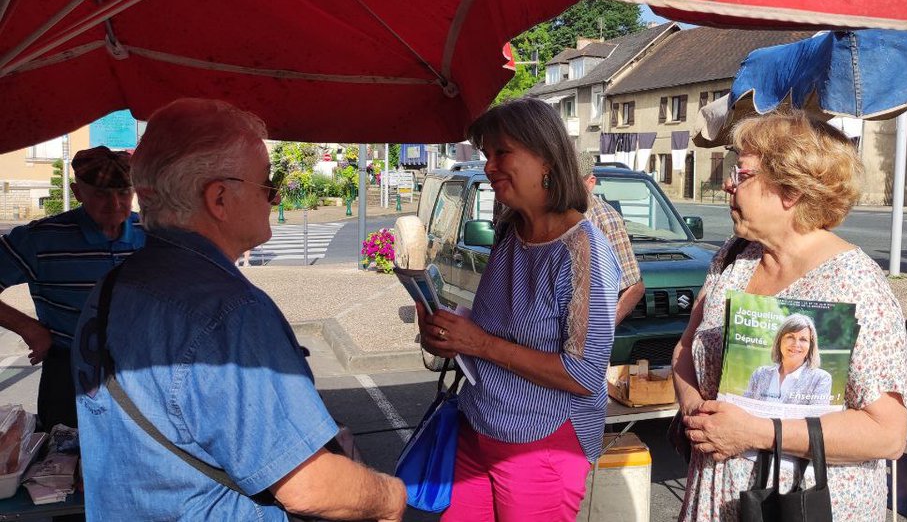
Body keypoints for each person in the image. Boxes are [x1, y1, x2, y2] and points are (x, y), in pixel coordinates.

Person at [70, 98, 406, 521]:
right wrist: (390, 496)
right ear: (220, 198)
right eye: (268, 182)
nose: (275, 196)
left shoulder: (113, 286)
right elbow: (308, 487)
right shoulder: (229, 313)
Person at [672, 110, 907, 521]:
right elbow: (686, 347)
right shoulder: (733, 258)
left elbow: (887, 434)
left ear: (791, 191)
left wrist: (757, 433)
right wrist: (699, 416)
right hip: (718, 493)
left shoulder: (857, 286)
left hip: (801, 505)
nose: (729, 184)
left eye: (743, 175)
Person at [418, 98, 620, 521]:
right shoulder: (510, 231)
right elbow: (494, 326)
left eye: (501, 152)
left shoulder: (585, 251)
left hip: (541, 444)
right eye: (486, 154)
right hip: (477, 427)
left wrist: (478, 342)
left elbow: (583, 374)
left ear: (545, 157)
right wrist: (448, 327)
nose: (489, 166)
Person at [0, 146, 145, 432]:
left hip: (142, 371)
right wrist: (29, 328)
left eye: (124, 192)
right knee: (64, 461)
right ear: (77, 192)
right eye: (101, 193)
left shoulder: (152, 233)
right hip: (69, 372)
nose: (115, 203)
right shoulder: (40, 239)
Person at [579, 156, 645, 323]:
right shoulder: (549, 211)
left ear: (590, 182)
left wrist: (601, 329)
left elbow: (634, 287)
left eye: (573, 182)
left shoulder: (606, 220)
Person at [743, 313, 832, 405]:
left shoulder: (821, 379)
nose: (796, 344)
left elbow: (817, 418)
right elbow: (744, 410)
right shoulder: (759, 374)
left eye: (803, 339)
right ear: (779, 341)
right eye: (790, 337)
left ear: (810, 346)